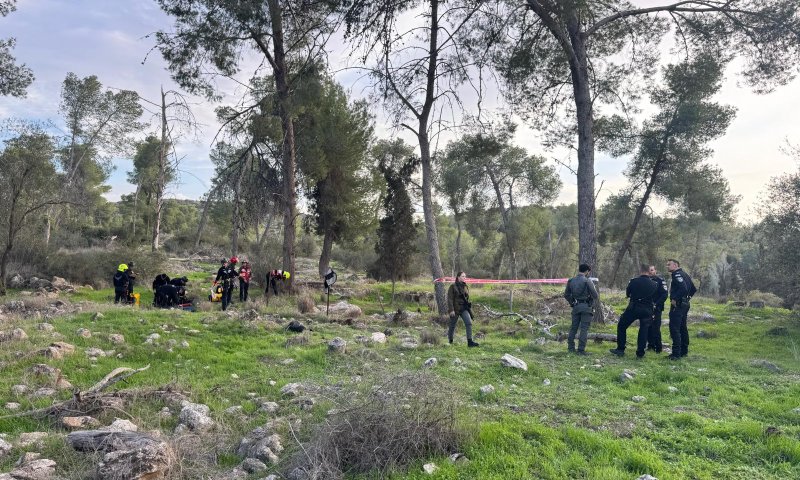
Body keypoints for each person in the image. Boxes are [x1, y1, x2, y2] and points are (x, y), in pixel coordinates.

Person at [610, 264, 658, 358]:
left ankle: (620, 349)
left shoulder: (634, 281)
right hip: (647, 309)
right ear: (648, 271)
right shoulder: (654, 284)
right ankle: (640, 353)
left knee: (622, 326)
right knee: (643, 330)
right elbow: (655, 297)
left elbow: (628, 294)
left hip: (634, 308)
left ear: (640, 270)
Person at [563, 263, 599, 355]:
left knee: (573, 328)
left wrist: (572, 302)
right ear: (587, 271)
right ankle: (581, 350)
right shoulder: (588, 281)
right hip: (586, 307)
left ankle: (570, 348)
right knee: (584, 329)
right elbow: (595, 295)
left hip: (575, 307)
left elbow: (566, 295)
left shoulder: (571, 281)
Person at [666, 259, 697, 360]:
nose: (667, 266)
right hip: (685, 304)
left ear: (675, 265)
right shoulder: (685, 274)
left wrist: (675, 299)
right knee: (683, 327)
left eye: (669, 265)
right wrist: (687, 299)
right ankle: (684, 351)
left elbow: (683, 288)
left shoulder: (677, 274)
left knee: (675, 328)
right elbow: (693, 289)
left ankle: (676, 354)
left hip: (678, 305)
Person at [447, 271, 479, 347]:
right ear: (458, 277)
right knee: (452, 325)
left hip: (464, 308)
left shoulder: (465, 286)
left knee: (469, 323)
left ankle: (470, 342)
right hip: (455, 309)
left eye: (465, 276)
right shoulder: (453, 286)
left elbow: (466, 298)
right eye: (462, 276)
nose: (464, 278)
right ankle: (450, 341)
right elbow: (450, 299)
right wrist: (451, 310)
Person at [646, 265, 669, 353]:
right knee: (648, 327)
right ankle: (650, 346)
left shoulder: (660, 281)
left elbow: (664, 295)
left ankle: (658, 347)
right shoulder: (646, 280)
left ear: (655, 270)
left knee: (656, 327)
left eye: (652, 270)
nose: (650, 272)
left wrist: (656, 304)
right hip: (647, 307)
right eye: (649, 270)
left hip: (656, 308)